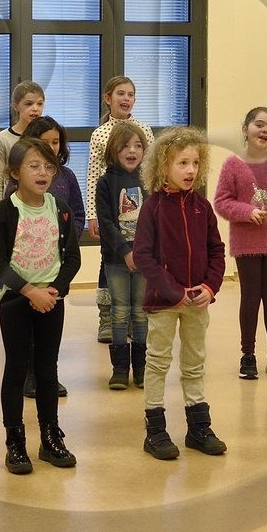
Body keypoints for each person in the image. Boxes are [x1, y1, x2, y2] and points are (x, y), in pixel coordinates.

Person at [0, 137, 82, 475]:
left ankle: (49, 436)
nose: (43, 172)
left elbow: (72, 258)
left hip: (51, 301)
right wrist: (31, 292)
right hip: (16, 299)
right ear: (15, 172)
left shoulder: (60, 208)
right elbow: (0, 266)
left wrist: (53, 291)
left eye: (48, 166)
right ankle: (15, 441)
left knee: (47, 369)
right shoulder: (2, 212)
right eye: (33, 166)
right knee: (15, 368)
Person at [133, 126, 227, 460]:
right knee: (157, 362)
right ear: (163, 167)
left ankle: (198, 427)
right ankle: (155, 429)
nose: (190, 170)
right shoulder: (152, 208)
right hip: (163, 302)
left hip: (197, 302)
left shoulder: (203, 206)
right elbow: (143, 256)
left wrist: (209, 287)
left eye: (195, 163)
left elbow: (217, 251)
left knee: (195, 362)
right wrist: (173, 292)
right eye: (182, 163)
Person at [215, 106, 267, 382]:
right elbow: (222, 201)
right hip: (247, 242)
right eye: (259, 125)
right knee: (250, 297)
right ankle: (247, 354)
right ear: (245, 128)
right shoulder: (232, 164)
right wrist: (246, 212)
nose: (264, 131)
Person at [13, 115, 81, 399]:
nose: (51, 148)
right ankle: (29, 374)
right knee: (27, 331)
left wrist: (66, 233)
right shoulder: (19, 186)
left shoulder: (66, 177)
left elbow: (76, 212)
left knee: (50, 331)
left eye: (55, 142)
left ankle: (48, 373)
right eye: (44, 143)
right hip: (26, 272)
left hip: (55, 265)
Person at [86, 76, 155, 345]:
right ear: (108, 98)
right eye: (120, 94)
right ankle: (108, 316)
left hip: (138, 203)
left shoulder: (143, 129)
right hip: (109, 206)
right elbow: (93, 174)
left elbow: (150, 170)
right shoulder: (100, 133)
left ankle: (132, 318)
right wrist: (93, 213)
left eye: (130, 94)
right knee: (110, 260)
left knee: (139, 260)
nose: (126, 99)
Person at [94, 122, 148, 390]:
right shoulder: (105, 183)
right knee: (119, 312)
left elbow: (154, 222)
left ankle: (140, 369)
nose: (132, 150)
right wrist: (126, 252)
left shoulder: (148, 181)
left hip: (144, 260)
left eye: (138, 146)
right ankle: (119, 370)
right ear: (113, 149)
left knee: (140, 313)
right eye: (126, 145)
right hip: (116, 259)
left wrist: (144, 253)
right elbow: (106, 223)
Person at [0, 80, 45, 206]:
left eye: (40, 104)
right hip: (12, 203)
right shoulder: (3, 138)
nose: (35, 109)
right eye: (29, 104)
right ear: (16, 106)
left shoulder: (45, 136)